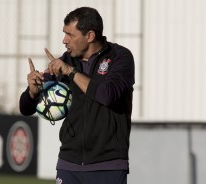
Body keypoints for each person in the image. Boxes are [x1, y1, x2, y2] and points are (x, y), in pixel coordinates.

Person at [19, 7, 135, 184]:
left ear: (89, 36)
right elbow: (25, 109)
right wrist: (32, 91)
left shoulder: (120, 57)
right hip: (68, 165)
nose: (64, 40)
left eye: (70, 35)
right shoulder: (65, 62)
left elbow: (107, 95)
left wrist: (71, 72)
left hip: (109, 166)